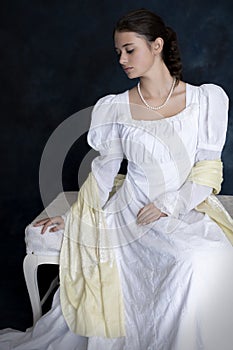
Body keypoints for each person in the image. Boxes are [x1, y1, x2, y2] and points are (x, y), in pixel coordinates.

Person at [1, 8, 233, 350]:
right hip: (134, 212)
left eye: (129, 50)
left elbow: (208, 169)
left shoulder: (205, 100)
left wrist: (172, 204)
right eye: (118, 53)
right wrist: (72, 215)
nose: (122, 59)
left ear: (156, 46)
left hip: (185, 205)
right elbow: (104, 173)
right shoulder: (114, 108)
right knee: (186, 262)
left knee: (210, 258)